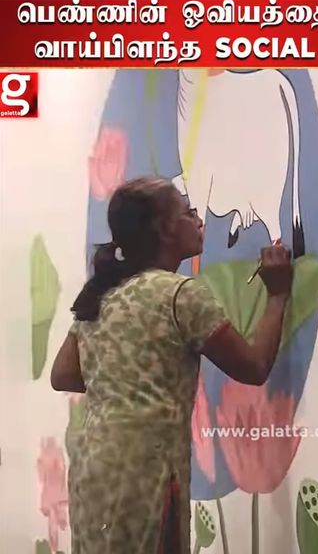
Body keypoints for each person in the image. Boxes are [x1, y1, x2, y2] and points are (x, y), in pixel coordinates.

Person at [51, 177, 293, 554]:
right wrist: (277, 295)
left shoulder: (103, 295)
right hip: (145, 471)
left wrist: (126, 378)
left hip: (93, 466)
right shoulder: (180, 294)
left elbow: (63, 374)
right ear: (164, 229)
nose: (198, 220)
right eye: (187, 212)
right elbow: (254, 367)